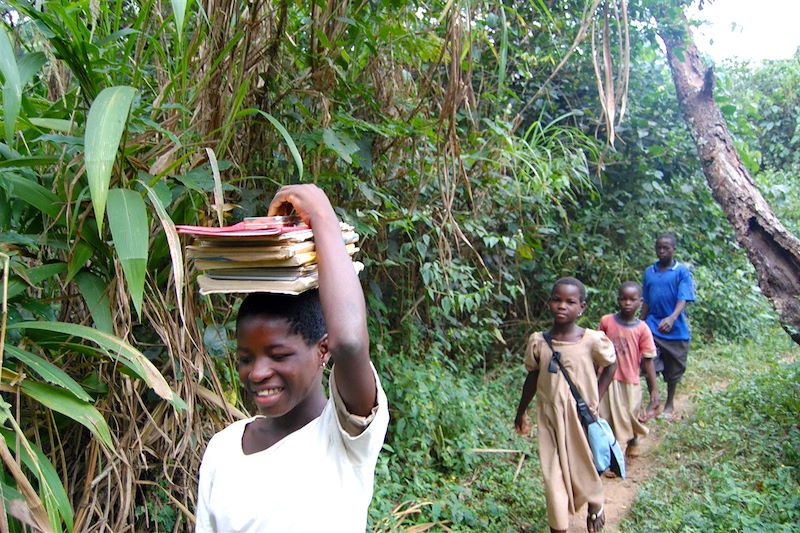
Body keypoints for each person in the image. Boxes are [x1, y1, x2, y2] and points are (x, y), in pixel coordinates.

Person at [194, 184, 389, 532]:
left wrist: (320, 214)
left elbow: (351, 342)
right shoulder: (222, 451)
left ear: (323, 350)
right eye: (245, 358)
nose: (257, 373)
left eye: (278, 355)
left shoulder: (344, 436)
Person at [514, 277, 617, 533]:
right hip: (549, 417)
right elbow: (533, 376)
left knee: (584, 464)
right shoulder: (539, 341)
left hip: (580, 417)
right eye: (557, 300)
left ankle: (595, 503)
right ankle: (558, 526)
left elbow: (611, 365)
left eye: (570, 302)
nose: (562, 306)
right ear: (549, 303)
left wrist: (596, 399)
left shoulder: (592, 340)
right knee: (552, 477)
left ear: (581, 307)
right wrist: (521, 410)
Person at [598, 281, 659, 460]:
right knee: (606, 416)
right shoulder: (606, 322)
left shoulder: (642, 329)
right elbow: (596, 350)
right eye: (623, 299)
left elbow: (648, 360)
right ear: (618, 300)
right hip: (607, 379)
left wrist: (654, 389)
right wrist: (593, 376)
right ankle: (613, 456)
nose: (627, 303)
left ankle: (633, 440)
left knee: (630, 415)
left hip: (630, 380)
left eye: (632, 300)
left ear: (640, 302)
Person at [640, 233, 696, 419]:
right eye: (659, 247)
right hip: (652, 325)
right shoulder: (650, 272)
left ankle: (670, 402)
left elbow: (684, 297)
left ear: (674, 249)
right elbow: (646, 300)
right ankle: (653, 399)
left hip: (675, 328)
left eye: (666, 248)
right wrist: (639, 323)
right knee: (649, 362)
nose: (662, 251)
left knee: (674, 369)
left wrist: (672, 318)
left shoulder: (681, 272)